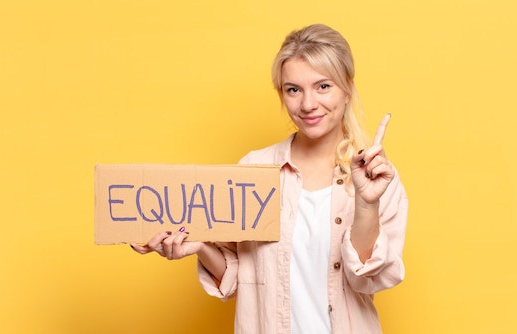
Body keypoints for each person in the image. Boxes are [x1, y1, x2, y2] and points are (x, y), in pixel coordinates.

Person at [130, 23, 408, 334]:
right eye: (293, 89)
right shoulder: (254, 169)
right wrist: (200, 247)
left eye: (323, 86)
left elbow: (367, 279)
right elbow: (239, 276)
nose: (307, 104)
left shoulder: (376, 179)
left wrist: (367, 205)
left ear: (347, 91)